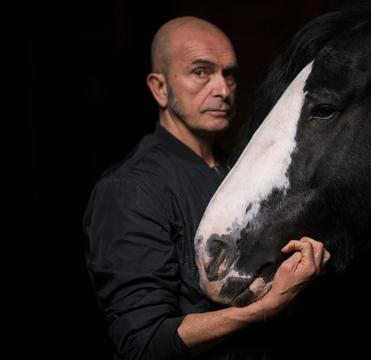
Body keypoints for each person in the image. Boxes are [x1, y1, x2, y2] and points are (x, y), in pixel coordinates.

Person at [83, 16, 331, 360]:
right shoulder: (130, 189)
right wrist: (267, 308)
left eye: (229, 73)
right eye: (201, 72)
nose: (222, 89)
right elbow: (142, 342)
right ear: (160, 88)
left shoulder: (241, 174)